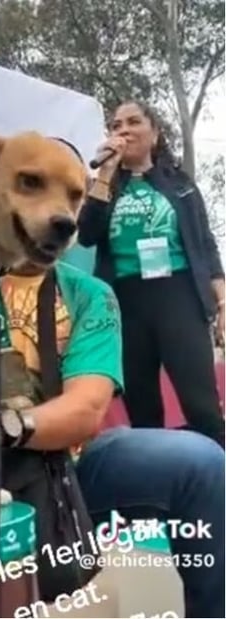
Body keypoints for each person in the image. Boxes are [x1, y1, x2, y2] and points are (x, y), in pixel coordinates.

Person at [0, 258, 225, 618]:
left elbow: (86, 409)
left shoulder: (86, 292)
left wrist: (2, 426)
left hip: (63, 473)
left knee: (202, 465)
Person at [77, 100, 225, 445]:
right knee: (143, 412)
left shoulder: (180, 185)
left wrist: (222, 301)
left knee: (201, 406)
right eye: (116, 125)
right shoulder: (105, 185)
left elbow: (206, 245)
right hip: (125, 301)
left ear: (154, 133)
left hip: (178, 296)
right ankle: (157, 476)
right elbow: (86, 235)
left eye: (133, 122)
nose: (123, 130)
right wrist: (105, 175)